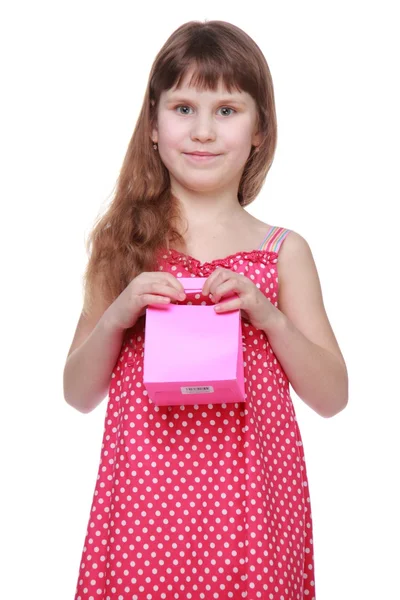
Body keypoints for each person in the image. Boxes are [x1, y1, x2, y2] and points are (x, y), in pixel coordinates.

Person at [64, 19, 348, 600]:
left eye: (226, 110)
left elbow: (333, 396)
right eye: (184, 107)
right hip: (145, 514)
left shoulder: (282, 253)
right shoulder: (124, 243)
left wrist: (268, 318)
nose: (202, 131)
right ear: (153, 123)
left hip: (251, 515)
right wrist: (120, 312)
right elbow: (77, 392)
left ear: (259, 129)